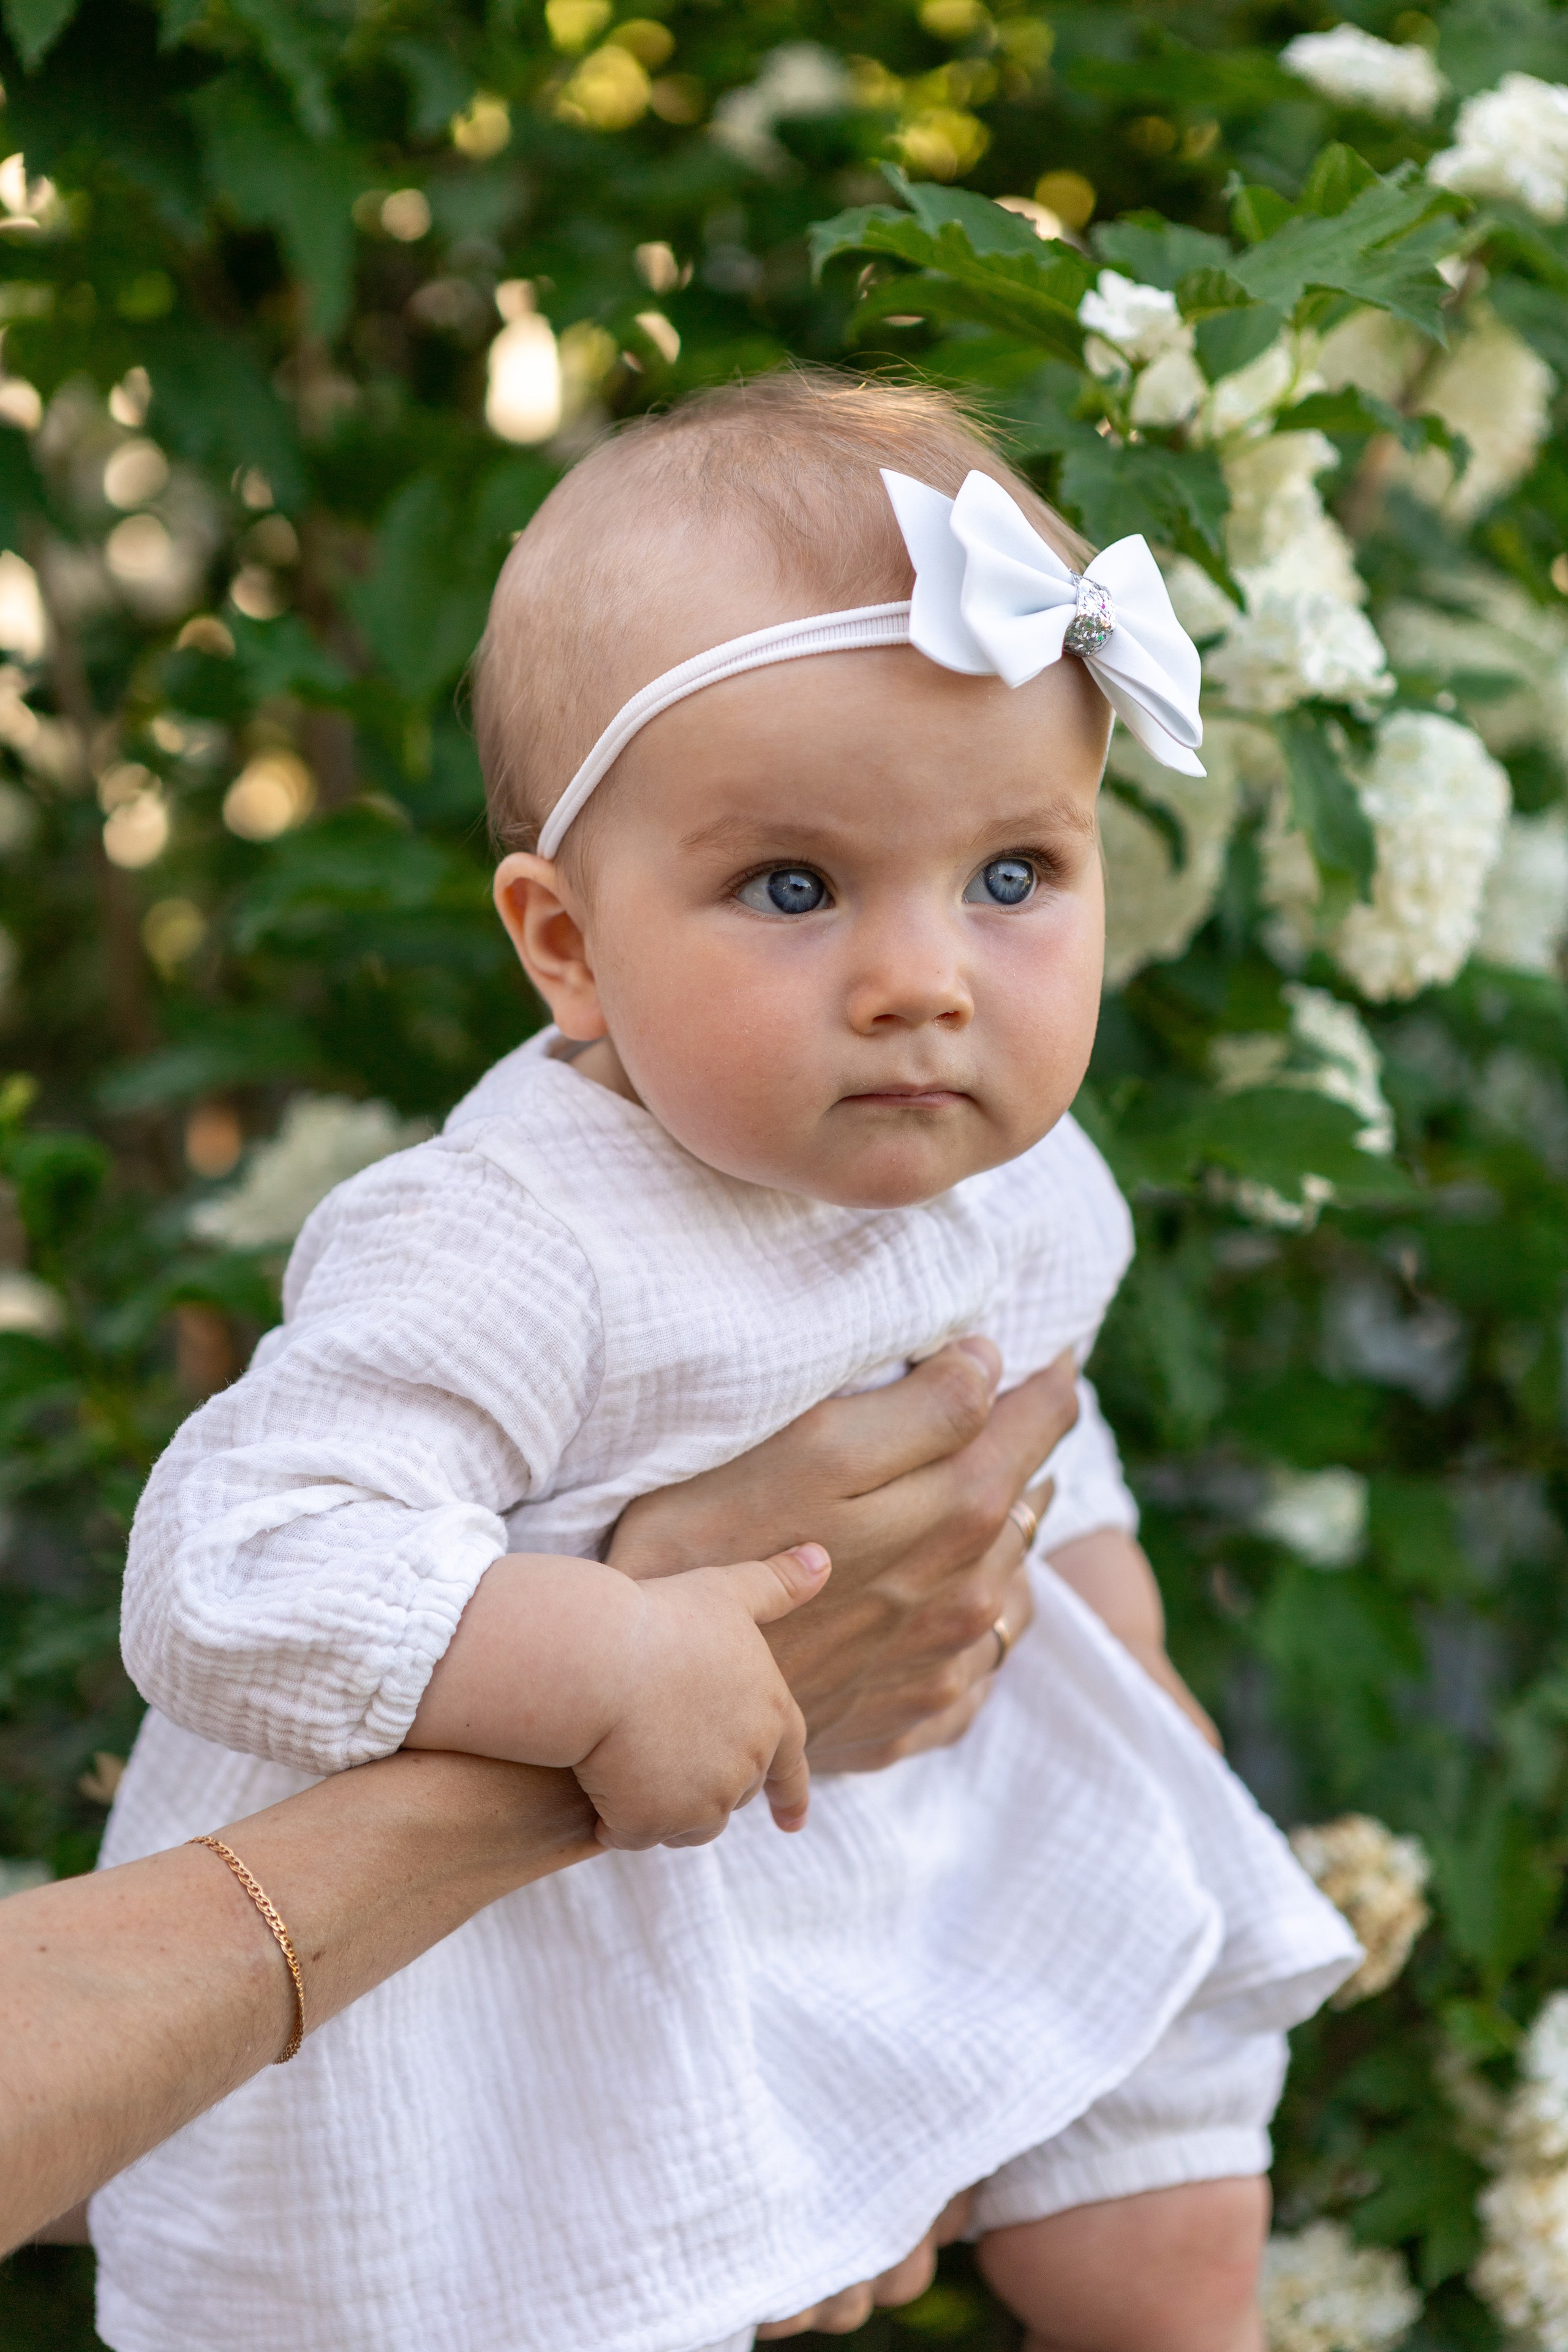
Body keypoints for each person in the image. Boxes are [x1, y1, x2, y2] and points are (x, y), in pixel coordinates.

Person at [92, 374, 1357, 2352]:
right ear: (569, 947)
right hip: (530, 1945)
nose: (923, 976)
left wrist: (1135, 1644)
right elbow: (234, 1562)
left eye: (1013, 875)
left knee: (1173, 2172)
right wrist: (599, 1655)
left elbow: (1053, 1434)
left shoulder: (1026, 1181)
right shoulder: (518, 1238)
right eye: (795, 886)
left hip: (899, 1814)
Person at [7, 1333, 1074, 2297]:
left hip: (833, 1901)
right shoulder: (518, 1231)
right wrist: (631, 1658)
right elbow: (228, 1585)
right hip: (491, 1997)